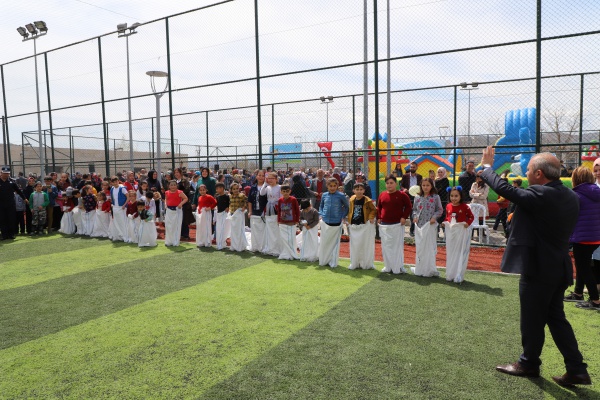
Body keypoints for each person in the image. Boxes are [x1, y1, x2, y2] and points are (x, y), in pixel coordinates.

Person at [480, 146, 591, 387]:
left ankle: (528, 363)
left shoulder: (541, 194)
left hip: (539, 269)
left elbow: (506, 190)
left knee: (532, 319)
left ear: (539, 174)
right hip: (559, 267)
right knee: (556, 318)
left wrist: (487, 167)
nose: (526, 174)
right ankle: (577, 369)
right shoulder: (570, 195)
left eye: (529, 170)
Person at [562, 166, 600, 310]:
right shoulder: (597, 192)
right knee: (582, 264)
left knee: (584, 268)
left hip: (582, 237)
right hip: (595, 236)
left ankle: (595, 301)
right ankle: (578, 293)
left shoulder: (576, 195)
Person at [378, 175, 412, 274]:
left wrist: (404, 217)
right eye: (387, 183)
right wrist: (379, 217)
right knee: (386, 246)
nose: (389, 185)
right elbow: (379, 207)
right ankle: (388, 266)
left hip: (397, 224)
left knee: (397, 247)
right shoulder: (382, 195)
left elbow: (409, 207)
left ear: (396, 184)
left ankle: (399, 267)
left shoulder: (402, 195)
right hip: (384, 224)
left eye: (391, 183)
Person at [411, 178, 443, 277]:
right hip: (420, 226)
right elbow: (414, 210)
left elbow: (440, 210)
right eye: (423, 185)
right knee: (420, 247)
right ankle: (420, 268)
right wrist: (415, 217)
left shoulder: (435, 197)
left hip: (430, 226)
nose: (425, 187)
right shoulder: (417, 197)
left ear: (432, 186)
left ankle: (429, 269)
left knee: (429, 246)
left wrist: (434, 217)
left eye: (428, 185)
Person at [443, 186, 474, 283]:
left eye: (456, 196)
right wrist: (444, 222)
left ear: (461, 196)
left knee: (459, 251)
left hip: (461, 233)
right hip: (451, 234)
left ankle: (458, 274)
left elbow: (471, 217)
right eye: (452, 196)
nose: (454, 198)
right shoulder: (448, 206)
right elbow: (447, 217)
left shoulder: (465, 207)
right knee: (451, 252)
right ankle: (450, 273)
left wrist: (467, 223)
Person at [318, 178, 349, 268]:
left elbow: (347, 207)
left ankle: (333, 261)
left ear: (337, 186)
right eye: (330, 186)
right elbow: (321, 206)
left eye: (334, 186)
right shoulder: (324, 195)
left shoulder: (341, 195)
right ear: (327, 186)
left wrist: (342, 216)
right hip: (325, 222)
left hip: (336, 222)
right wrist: (321, 214)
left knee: (334, 243)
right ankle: (324, 260)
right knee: (325, 242)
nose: (332, 188)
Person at [347, 182, 376, 270]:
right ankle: (355, 262)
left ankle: (364, 263)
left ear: (364, 190)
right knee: (355, 245)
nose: (359, 191)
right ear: (353, 190)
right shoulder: (352, 199)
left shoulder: (367, 200)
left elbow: (374, 210)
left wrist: (371, 217)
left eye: (361, 189)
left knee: (364, 245)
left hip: (364, 225)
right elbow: (350, 210)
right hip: (354, 226)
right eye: (357, 189)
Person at [260, 172, 281, 256]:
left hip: (276, 208)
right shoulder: (268, 187)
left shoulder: (279, 187)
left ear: (276, 179)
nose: (270, 180)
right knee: (269, 227)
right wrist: (265, 183)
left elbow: (281, 198)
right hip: (268, 208)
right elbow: (262, 193)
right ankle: (270, 246)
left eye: (272, 178)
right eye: (269, 178)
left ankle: (276, 247)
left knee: (275, 227)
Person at [277, 184, 300, 260]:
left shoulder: (293, 199)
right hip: (282, 222)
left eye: (287, 191)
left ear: (290, 191)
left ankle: (293, 253)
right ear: (281, 192)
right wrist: (278, 220)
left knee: (291, 239)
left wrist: (297, 220)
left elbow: (297, 210)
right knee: (284, 239)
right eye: (284, 191)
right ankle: (285, 253)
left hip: (291, 222)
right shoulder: (280, 200)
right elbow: (279, 211)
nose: (285, 193)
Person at [247, 170, 268, 253]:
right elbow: (250, 201)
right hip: (255, 211)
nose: (261, 177)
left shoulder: (267, 187)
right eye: (259, 175)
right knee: (255, 230)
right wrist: (250, 211)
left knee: (263, 230)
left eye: (263, 175)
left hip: (264, 212)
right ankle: (255, 246)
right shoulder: (253, 187)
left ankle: (263, 247)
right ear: (256, 176)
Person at [400, 161, 422, 236]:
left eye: (414, 167)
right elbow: (401, 186)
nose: (412, 168)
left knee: (414, 213)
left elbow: (421, 186)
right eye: (411, 167)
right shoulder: (405, 176)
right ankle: (403, 229)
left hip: (416, 196)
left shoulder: (419, 177)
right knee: (407, 212)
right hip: (407, 196)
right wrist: (404, 189)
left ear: (417, 168)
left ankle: (412, 230)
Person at [164, 180, 187, 247]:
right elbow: (166, 199)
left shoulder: (180, 192)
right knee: (168, 226)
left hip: (177, 210)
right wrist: (165, 204)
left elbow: (185, 198)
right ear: (169, 186)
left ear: (177, 186)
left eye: (174, 185)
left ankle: (175, 241)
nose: (173, 186)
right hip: (169, 211)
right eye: (171, 185)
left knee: (176, 226)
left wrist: (181, 204)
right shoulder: (167, 192)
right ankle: (169, 241)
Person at [228, 182, 248, 252]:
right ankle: (234, 245)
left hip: (239, 214)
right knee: (233, 230)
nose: (236, 190)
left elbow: (247, 201)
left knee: (239, 229)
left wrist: (244, 207)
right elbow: (229, 204)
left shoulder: (241, 195)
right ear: (231, 190)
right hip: (232, 214)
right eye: (234, 189)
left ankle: (240, 245)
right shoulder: (230, 196)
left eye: (237, 188)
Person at [109, 177, 129, 242]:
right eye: (114, 182)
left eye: (116, 181)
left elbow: (128, 197)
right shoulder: (112, 188)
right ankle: (118, 236)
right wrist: (112, 204)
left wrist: (124, 205)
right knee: (116, 222)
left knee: (123, 222)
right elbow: (112, 197)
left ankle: (125, 236)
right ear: (112, 183)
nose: (115, 183)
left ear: (118, 181)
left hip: (121, 208)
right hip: (115, 207)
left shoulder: (122, 188)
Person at [214, 182, 231, 250]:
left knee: (224, 229)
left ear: (222, 188)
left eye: (218, 188)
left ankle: (222, 243)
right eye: (216, 189)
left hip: (225, 214)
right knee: (219, 229)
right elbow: (216, 206)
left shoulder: (227, 197)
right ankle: (219, 243)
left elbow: (230, 204)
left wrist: (228, 208)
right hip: (219, 214)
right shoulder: (217, 197)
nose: (217, 190)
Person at [434, 167, 449, 232]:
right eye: (439, 172)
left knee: (443, 213)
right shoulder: (436, 180)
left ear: (444, 172)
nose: (440, 173)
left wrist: (437, 190)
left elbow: (442, 188)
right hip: (437, 198)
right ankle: (437, 230)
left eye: (441, 172)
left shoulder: (445, 180)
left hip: (443, 199)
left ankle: (444, 229)